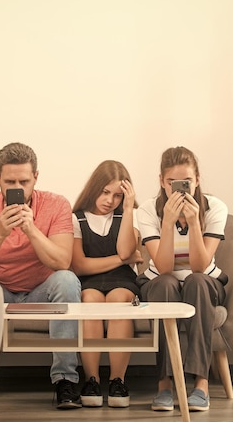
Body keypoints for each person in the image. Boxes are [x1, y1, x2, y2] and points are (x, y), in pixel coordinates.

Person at [0, 142, 82, 410]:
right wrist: (0, 232)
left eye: (24, 181)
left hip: (41, 290)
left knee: (67, 280)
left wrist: (31, 229)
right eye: (10, 181)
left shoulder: (57, 204)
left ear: (36, 177)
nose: (18, 188)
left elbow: (62, 261)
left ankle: (65, 380)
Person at [136, 146, 228, 413]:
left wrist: (194, 223)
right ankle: (165, 385)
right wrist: (168, 223)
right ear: (162, 183)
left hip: (204, 281)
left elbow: (200, 266)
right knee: (166, 284)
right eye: (172, 183)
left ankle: (201, 385)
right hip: (160, 281)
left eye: (186, 182)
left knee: (196, 282)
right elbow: (164, 268)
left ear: (197, 180)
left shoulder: (215, 207)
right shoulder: (147, 210)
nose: (180, 189)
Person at [70, 160, 143, 408]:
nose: (110, 200)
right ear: (94, 188)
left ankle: (117, 380)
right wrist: (122, 259)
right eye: (105, 192)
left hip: (123, 282)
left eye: (118, 195)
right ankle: (91, 379)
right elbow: (80, 266)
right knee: (89, 301)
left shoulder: (128, 214)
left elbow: (125, 250)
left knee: (117, 301)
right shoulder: (76, 218)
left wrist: (130, 207)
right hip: (88, 281)